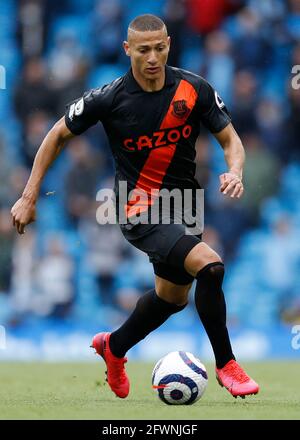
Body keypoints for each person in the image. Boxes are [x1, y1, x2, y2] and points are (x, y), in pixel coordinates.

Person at [11, 14, 259, 399]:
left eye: (159, 48)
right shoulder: (109, 97)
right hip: (137, 208)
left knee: (172, 299)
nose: (152, 57)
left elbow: (230, 139)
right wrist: (29, 196)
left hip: (185, 207)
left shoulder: (195, 88)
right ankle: (227, 364)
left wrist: (236, 170)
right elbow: (57, 134)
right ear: (128, 50)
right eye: (143, 50)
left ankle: (114, 347)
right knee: (210, 266)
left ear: (169, 45)